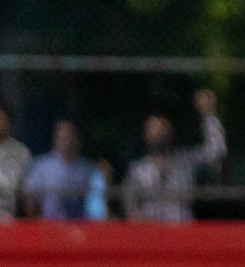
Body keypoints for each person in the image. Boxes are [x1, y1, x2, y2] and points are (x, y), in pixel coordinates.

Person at [122, 90, 227, 223]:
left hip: (182, 234)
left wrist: (209, 115)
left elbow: (216, 151)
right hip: (149, 236)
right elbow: (130, 207)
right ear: (145, 134)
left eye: (162, 128)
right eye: (153, 128)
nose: (158, 132)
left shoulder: (186, 161)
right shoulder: (138, 170)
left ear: (170, 130)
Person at [25, 119, 108, 221]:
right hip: (48, 226)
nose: (66, 141)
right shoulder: (40, 165)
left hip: (80, 227)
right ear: (55, 138)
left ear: (78, 139)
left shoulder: (89, 168)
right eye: (62, 137)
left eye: (70, 136)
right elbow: (31, 201)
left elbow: (97, 205)